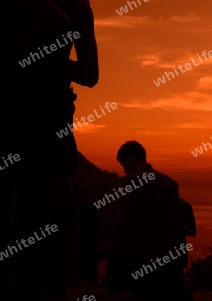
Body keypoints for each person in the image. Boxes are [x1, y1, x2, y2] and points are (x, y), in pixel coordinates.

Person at [1, 0, 99, 300]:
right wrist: (52, 60)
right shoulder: (80, 5)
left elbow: (87, 72)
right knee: (42, 220)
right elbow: (88, 74)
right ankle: (69, 282)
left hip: (33, 120)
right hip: (49, 121)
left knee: (26, 230)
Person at [106, 141, 186, 301]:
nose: (124, 169)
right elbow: (178, 222)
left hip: (139, 259)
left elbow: (122, 221)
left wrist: (112, 263)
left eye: (123, 164)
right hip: (169, 260)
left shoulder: (130, 181)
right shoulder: (170, 183)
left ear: (128, 158)